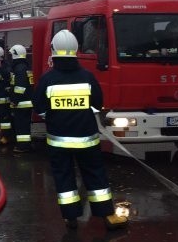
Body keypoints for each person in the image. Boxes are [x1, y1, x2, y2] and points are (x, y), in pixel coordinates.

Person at [32, 29, 128, 231]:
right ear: (76, 50)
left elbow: (39, 108)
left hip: (58, 141)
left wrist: (55, 117)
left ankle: (70, 218)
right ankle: (107, 216)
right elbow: (97, 105)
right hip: (87, 140)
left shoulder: (47, 79)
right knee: (96, 176)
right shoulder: (87, 77)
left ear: (54, 51)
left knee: (64, 178)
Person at [8, 44, 34, 153]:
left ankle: (22, 147)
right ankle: (25, 145)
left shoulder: (19, 68)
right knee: (24, 126)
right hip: (25, 102)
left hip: (21, 103)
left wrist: (15, 100)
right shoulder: (25, 67)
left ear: (15, 55)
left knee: (21, 126)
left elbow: (20, 87)